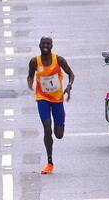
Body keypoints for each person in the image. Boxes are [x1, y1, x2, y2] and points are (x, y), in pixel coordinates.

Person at [27, 36, 74, 174]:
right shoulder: (34, 61)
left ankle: (60, 125)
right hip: (42, 99)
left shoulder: (59, 60)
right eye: (43, 43)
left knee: (58, 134)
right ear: (39, 45)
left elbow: (71, 74)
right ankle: (49, 162)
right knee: (47, 129)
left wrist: (69, 85)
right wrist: (29, 83)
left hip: (58, 100)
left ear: (52, 45)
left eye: (48, 43)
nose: (45, 45)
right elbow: (30, 75)